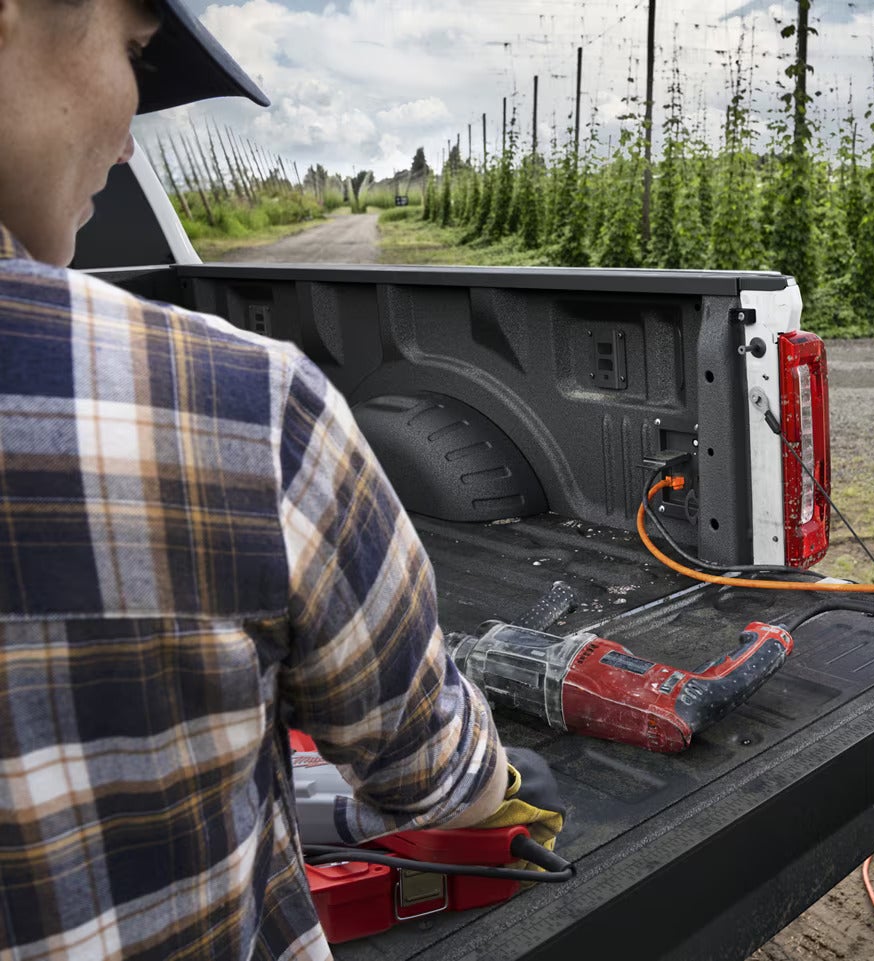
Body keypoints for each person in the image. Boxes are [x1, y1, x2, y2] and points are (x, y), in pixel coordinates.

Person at [0, 1, 541, 957]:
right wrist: (491, 772)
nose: (129, 142)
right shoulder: (240, 406)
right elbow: (440, 779)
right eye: (133, 52)